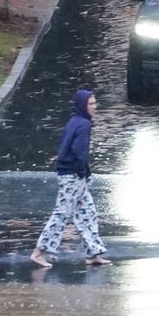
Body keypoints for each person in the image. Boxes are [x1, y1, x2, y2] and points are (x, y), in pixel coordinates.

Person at [31, 89, 110, 268]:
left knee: (87, 213)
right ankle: (38, 252)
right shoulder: (84, 125)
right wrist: (82, 172)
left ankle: (93, 253)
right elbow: (79, 151)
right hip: (73, 176)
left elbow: (67, 146)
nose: (95, 107)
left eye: (95, 103)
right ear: (83, 105)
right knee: (62, 214)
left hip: (71, 174)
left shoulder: (75, 121)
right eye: (91, 104)